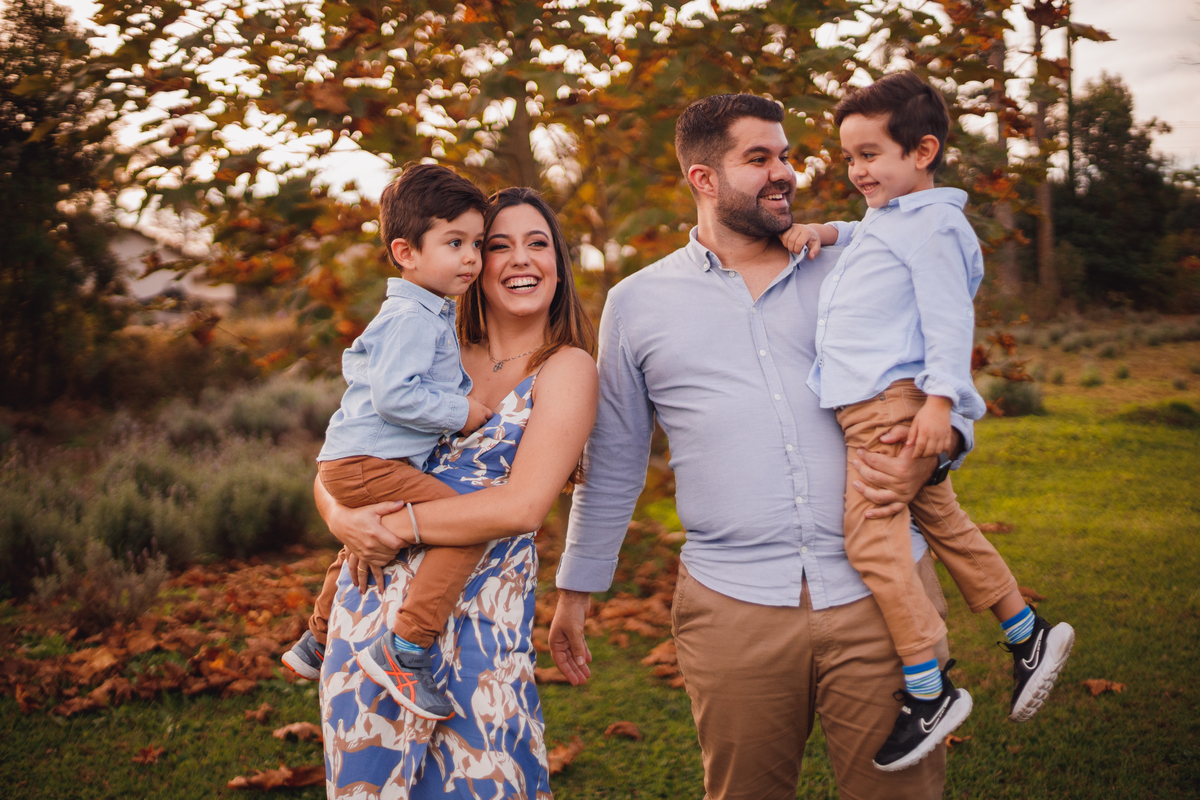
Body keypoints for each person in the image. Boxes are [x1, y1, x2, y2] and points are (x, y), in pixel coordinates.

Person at [548, 93, 964, 800]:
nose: (786, 173)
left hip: (881, 597)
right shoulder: (637, 303)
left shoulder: (852, 266)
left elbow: (944, 368)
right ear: (704, 180)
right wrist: (576, 590)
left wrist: (944, 443)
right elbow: (614, 459)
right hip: (732, 607)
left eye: (787, 155)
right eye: (760, 158)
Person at [781, 71, 1074, 771]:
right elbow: (867, 234)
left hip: (889, 406)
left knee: (871, 537)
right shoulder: (898, 218)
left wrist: (944, 401)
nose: (856, 171)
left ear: (923, 151)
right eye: (849, 158)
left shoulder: (937, 225)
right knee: (940, 518)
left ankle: (927, 686)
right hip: (881, 399)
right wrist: (826, 229)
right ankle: (1025, 631)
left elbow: (948, 316)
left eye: (870, 155)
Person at [313, 187, 598, 799]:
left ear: (558, 263)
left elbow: (519, 508)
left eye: (537, 244)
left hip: (480, 625)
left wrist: (393, 527)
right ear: (470, 261)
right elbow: (341, 458)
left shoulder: (566, 367)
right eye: (498, 245)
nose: (521, 259)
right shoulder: (432, 354)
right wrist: (343, 520)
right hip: (368, 620)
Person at [281, 163, 496, 723]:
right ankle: (406, 647)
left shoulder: (425, 312)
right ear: (406, 252)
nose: (471, 257)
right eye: (454, 242)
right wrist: (463, 412)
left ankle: (317, 639)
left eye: (476, 243)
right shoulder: (412, 317)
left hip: (356, 461)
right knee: (467, 525)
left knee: (367, 538)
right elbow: (395, 397)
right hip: (368, 460)